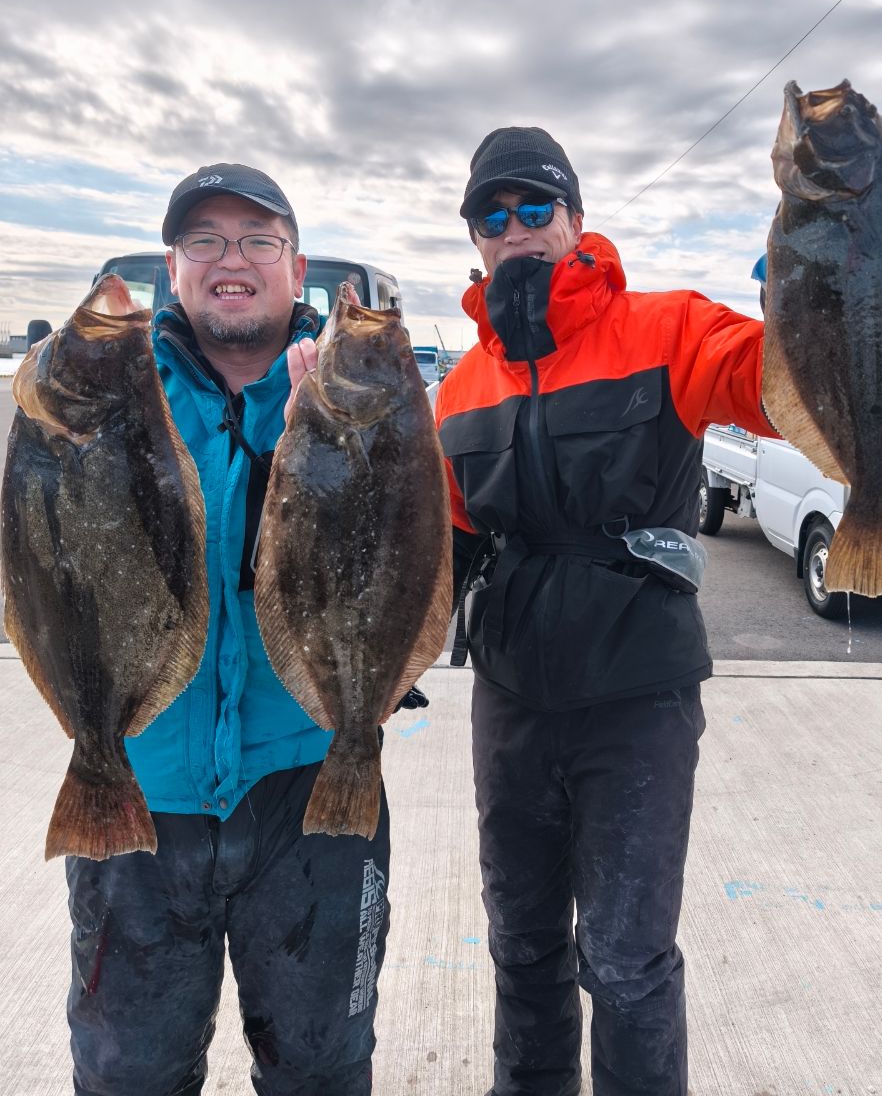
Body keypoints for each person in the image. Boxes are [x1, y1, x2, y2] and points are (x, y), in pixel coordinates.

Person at [434, 127, 779, 1096]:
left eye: (535, 207)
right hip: (510, 699)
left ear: (576, 219)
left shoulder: (668, 328)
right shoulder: (457, 391)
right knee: (524, 945)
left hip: (640, 693)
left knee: (626, 962)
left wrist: (826, 295)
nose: (517, 230)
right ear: (477, 241)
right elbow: (437, 551)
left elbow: (774, 385)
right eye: (492, 216)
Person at [66, 164, 404, 1096]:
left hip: (309, 793)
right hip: (141, 794)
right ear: (173, 268)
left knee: (321, 1071)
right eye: (206, 240)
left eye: (260, 240)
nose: (233, 260)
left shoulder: (357, 396)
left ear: (298, 273)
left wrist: (335, 451)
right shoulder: (107, 398)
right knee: (126, 1076)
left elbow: (415, 564)